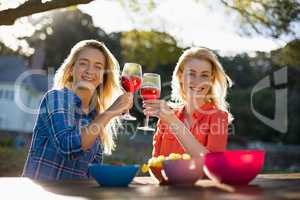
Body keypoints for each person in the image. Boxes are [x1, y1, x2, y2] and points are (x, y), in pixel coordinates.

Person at [23, 40, 133, 180]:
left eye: (98, 66)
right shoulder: (55, 98)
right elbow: (68, 147)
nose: (90, 71)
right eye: (83, 63)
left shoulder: (96, 117)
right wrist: (110, 112)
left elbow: (90, 175)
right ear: (71, 69)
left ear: (103, 78)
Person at [144, 47, 233, 158]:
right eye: (191, 74)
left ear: (211, 79)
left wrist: (173, 122)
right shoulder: (167, 117)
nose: (197, 82)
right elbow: (156, 163)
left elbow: (213, 164)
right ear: (181, 76)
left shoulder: (218, 117)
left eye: (204, 75)